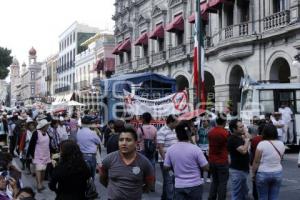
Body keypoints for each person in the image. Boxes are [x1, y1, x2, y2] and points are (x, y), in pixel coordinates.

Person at [100, 125, 155, 199]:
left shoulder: (144, 162)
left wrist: (137, 192)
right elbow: (102, 178)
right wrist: (112, 189)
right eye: (121, 140)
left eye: (128, 140)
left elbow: (150, 183)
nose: (124, 143)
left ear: (135, 143)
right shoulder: (109, 159)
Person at [164, 121, 209, 200]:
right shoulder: (196, 149)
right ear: (189, 133)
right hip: (195, 185)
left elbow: (166, 167)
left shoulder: (170, 150)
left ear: (176, 134)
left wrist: (173, 172)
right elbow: (206, 167)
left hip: (179, 185)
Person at [252, 124, 285, 200]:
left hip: (263, 173)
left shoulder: (261, 144)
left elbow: (256, 161)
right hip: (277, 172)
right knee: (274, 197)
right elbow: (281, 158)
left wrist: (253, 174)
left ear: (264, 133)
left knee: (263, 197)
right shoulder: (281, 144)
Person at [207, 113, 229, 200]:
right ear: (225, 122)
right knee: (222, 183)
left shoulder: (210, 133)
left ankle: (211, 198)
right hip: (222, 161)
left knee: (214, 181)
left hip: (212, 160)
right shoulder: (225, 133)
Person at [227, 119, 251, 200]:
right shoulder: (232, 139)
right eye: (240, 127)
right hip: (237, 171)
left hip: (243, 170)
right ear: (234, 129)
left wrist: (244, 131)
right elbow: (243, 151)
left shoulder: (239, 136)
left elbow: (249, 137)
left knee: (244, 193)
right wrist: (247, 141)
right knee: (237, 194)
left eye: (243, 126)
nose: (243, 128)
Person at [157, 115, 178, 200]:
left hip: (174, 161)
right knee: (170, 181)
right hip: (166, 161)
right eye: (176, 122)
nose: (177, 124)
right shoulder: (162, 131)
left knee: (168, 181)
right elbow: (160, 147)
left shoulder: (174, 131)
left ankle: (164, 197)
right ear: (171, 122)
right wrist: (166, 161)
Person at [27, 119, 51, 192]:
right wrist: (31, 154)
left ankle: (41, 183)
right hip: (38, 154)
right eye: (47, 125)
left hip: (46, 154)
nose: (48, 126)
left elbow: (48, 144)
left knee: (43, 170)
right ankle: (39, 185)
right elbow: (31, 144)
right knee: (38, 170)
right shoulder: (36, 133)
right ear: (43, 126)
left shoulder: (47, 133)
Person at [197, 117, 211, 183]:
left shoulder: (211, 130)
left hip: (208, 147)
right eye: (203, 121)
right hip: (200, 147)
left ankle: (208, 176)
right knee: (201, 162)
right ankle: (201, 176)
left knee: (208, 162)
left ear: (208, 122)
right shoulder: (200, 129)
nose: (204, 122)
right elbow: (197, 138)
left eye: (205, 121)